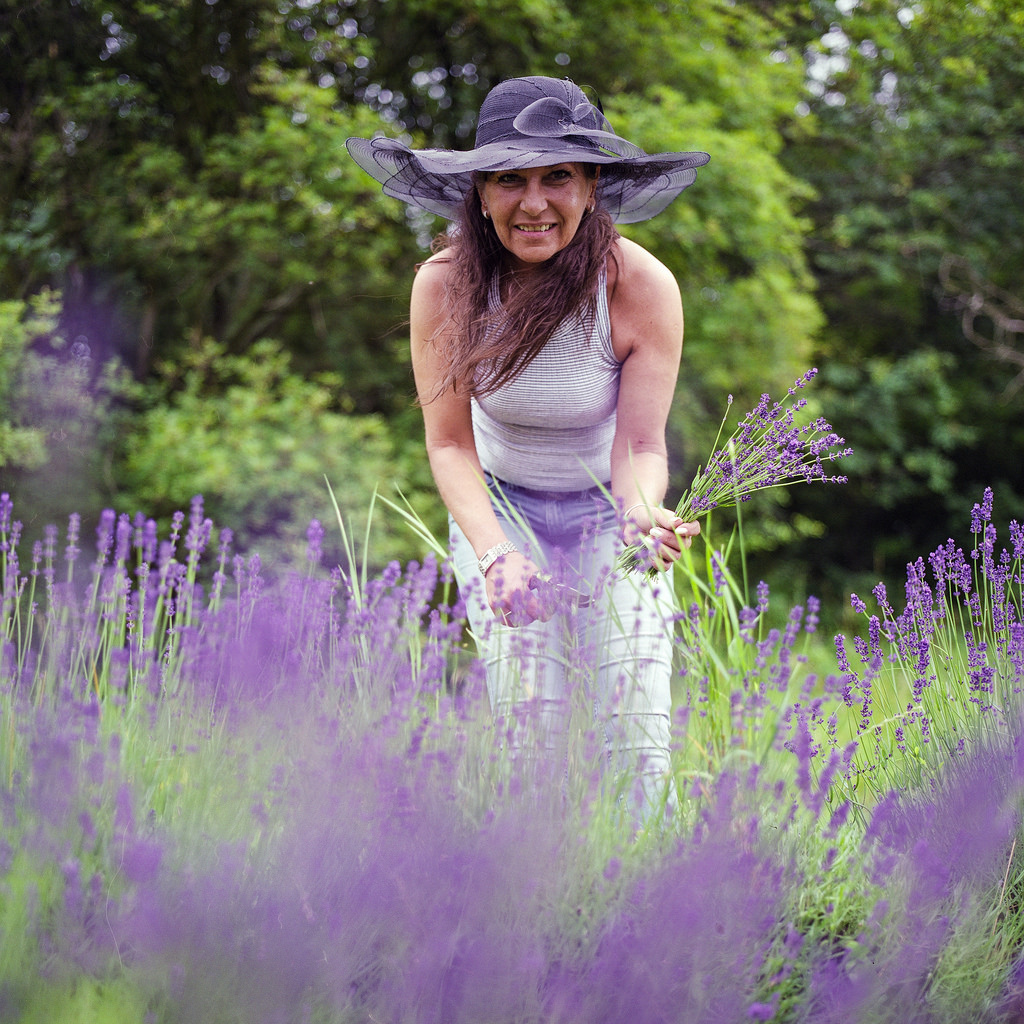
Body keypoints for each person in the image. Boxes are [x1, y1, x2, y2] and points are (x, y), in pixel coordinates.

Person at [346, 75, 709, 821]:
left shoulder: (641, 285)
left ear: (591, 186)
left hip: (609, 516)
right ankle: (540, 912)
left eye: (557, 177)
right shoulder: (445, 284)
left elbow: (641, 442)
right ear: (480, 191)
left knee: (636, 742)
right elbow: (448, 446)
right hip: (500, 514)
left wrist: (644, 515)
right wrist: (495, 556)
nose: (534, 202)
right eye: (510, 179)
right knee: (531, 739)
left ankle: (648, 909)